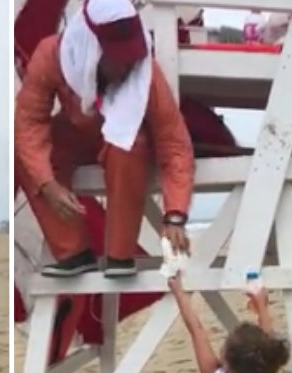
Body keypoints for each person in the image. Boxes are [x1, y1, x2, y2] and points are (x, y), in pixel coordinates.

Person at [16, 0, 194, 278]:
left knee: (128, 143)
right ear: (91, 49)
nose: (127, 67)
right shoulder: (50, 54)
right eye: (118, 60)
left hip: (123, 149)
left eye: (131, 58)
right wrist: (47, 183)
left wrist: (175, 216)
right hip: (78, 136)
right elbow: (28, 123)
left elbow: (174, 142)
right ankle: (73, 252)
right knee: (24, 154)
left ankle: (119, 256)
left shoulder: (144, 70)